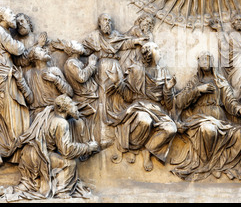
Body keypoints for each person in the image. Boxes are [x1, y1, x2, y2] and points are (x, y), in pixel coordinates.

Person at [0, 95, 99, 201]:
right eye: (71, 104)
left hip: (27, 154)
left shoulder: (47, 113)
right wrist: (88, 147)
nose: (75, 106)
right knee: (69, 164)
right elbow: (67, 151)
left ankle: (5, 191)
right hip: (39, 156)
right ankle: (60, 192)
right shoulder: (61, 123)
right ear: (63, 109)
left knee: (27, 185)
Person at [171, 51, 241, 181]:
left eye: (207, 59)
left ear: (212, 63)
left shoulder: (220, 81)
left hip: (221, 121)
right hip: (200, 119)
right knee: (208, 130)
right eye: (201, 59)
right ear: (198, 63)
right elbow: (180, 101)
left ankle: (224, 166)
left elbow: (230, 102)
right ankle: (207, 165)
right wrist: (198, 90)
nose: (204, 61)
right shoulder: (195, 81)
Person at [106, 42, 177, 171]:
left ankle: (148, 149)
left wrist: (168, 90)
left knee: (171, 129)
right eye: (157, 49)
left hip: (157, 109)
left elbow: (169, 104)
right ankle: (133, 147)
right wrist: (117, 82)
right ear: (151, 53)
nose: (160, 52)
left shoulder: (164, 72)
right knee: (144, 121)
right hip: (139, 105)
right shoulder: (136, 70)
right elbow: (128, 97)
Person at [81, 13, 148, 144]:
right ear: (99, 23)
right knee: (104, 98)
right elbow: (84, 50)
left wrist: (136, 41)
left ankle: (117, 131)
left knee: (118, 97)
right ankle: (104, 134)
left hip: (115, 66)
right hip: (102, 68)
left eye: (109, 21)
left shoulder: (116, 35)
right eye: (105, 20)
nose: (108, 23)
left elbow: (123, 43)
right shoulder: (94, 37)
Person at [0, 7, 31, 168]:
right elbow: (17, 49)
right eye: (11, 14)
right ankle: (13, 153)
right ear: (2, 17)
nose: (14, 17)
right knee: (11, 117)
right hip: (4, 78)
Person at [53, 39, 99, 145]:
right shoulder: (71, 63)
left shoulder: (77, 62)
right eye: (77, 44)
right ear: (73, 49)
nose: (80, 44)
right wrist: (92, 64)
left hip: (91, 95)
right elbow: (81, 77)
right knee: (87, 124)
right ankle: (88, 145)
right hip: (84, 97)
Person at [24, 46, 74, 122]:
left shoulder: (54, 70)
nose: (45, 51)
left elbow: (69, 92)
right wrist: (20, 81)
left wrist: (55, 79)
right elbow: (30, 100)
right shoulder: (29, 74)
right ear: (35, 56)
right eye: (41, 50)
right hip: (36, 114)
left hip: (54, 112)